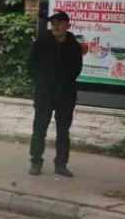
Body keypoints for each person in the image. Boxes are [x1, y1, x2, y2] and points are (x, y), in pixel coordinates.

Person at [26, 10, 84, 176]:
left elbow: (76, 69)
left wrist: (63, 82)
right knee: (39, 130)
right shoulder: (42, 42)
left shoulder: (73, 46)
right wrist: (41, 81)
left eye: (59, 22)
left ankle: (61, 164)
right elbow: (31, 65)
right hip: (44, 93)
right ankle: (36, 162)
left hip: (65, 95)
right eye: (53, 23)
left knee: (63, 131)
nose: (55, 26)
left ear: (68, 25)